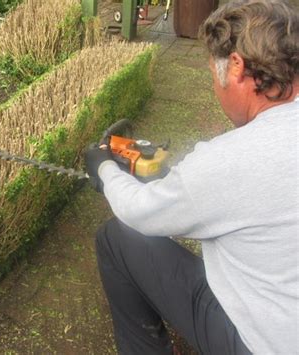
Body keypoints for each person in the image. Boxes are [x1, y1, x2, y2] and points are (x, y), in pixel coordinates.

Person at [84, 1, 298, 354]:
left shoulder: (232, 159)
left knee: (117, 238)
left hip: (268, 345)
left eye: (214, 74)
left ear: (236, 67)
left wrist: (105, 169)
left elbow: (142, 211)